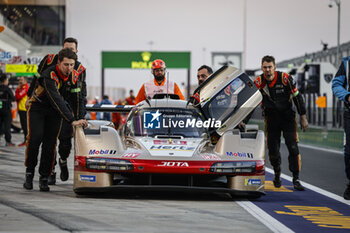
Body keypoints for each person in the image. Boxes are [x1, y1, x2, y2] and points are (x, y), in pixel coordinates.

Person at [23, 48, 87, 192]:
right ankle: (29, 173)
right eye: (66, 65)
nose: (69, 68)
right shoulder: (49, 74)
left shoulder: (74, 76)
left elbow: (78, 99)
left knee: (50, 144)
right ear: (59, 63)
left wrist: (80, 118)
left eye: (72, 64)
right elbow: (56, 99)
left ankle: (44, 177)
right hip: (38, 108)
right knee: (35, 139)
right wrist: (71, 120)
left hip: (55, 112)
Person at [254, 55, 308, 191]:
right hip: (271, 120)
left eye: (270, 67)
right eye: (265, 67)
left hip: (288, 118)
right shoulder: (258, 82)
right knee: (273, 151)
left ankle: (296, 178)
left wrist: (303, 116)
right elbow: (250, 103)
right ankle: (277, 173)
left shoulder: (285, 79)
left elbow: (297, 97)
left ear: (274, 67)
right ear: (262, 67)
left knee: (293, 147)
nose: (267, 70)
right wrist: (242, 121)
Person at [332, 55, 350, 200]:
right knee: (349, 151)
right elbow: (336, 85)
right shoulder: (347, 63)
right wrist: (347, 96)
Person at [0, 74, 15, 146]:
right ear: (5, 80)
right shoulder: (7, 88)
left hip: (0, 108)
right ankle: (8, 141)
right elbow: (13, 98)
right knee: (7, 125)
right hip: (6, 109)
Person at [15, 76, 29, 146]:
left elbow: (18, 96)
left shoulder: (25, 87)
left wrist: (18, 89)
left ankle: (26, 140)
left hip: (24, 108)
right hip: (21, 108)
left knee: (25, 125)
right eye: (19, 79)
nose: (20, 80)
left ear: (25, 80)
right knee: (23, 125)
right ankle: (25, 140)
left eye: (21, 79)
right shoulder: (21, 87)